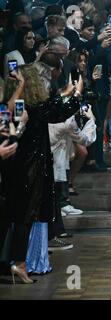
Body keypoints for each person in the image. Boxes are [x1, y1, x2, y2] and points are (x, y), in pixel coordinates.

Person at [2, 64, 83, 284]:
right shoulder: (27, 107)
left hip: (15, 169)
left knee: (16, 218)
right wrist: (77, 93)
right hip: (29, 171)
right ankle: (18, 263)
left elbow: (52, 106)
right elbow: (55, 112)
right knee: (23, 218)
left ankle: (15, 262)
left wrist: (68, 93)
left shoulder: (24, 105)